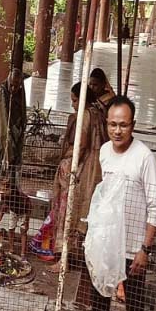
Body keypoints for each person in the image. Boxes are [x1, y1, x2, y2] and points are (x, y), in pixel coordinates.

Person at [77, 95, 156, 311]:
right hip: (107, 245)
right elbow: (102, 198)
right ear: (106, 124)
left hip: (133, 248)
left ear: (133, 125)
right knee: (99, 303)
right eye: (113, 124)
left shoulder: (144, 157)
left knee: (135, 308)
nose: (117, 130)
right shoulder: (104, 152)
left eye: (123, 125)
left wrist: (144, 249)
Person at [44, 81, 107, 272]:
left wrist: (67, 160)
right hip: (95, 170)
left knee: (68, 211)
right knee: (84, 213)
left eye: (74, 100)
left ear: (82, 99)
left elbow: (81, 144)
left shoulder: (86, 115)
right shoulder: (99, 113)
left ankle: (64, 260)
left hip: (82, 170)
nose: (72, 104)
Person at [0, 174, 35, 256]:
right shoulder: (5, 202)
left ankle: (23, 253)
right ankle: (11, 250)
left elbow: (29, 206)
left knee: (23, 230)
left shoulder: (16, 194)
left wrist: (26, 221)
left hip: (24, 211)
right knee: (11, 229)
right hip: (13, 211)